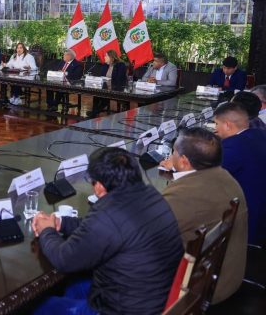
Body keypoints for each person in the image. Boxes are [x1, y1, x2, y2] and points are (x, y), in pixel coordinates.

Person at [32, 147, 183, 314]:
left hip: (125, 309)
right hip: (155, 298)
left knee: (42, 306)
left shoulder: (108, 214)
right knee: (74, 286)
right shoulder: (151, 196)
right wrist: (61, 223)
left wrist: (46, 230)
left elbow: (64, 259)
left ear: (99, 187)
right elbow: (99, 228)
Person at [159, 127, 247, 303]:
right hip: (226, 277)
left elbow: (146, 234)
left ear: (184, 161)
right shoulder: (225, 176)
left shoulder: (183, 197)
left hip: (198, 293)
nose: (171, 157)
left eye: (173, 152)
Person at [214, 102, 266, 245]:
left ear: (227, 125)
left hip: (248, 216)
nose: (215, 129)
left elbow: (207, 172)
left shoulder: (234, 146)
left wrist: (177, 164)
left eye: (216, 124)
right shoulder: (259, 134)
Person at [87, 49, 127, 118]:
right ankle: (94, 112)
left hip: (117, 88)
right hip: (106, 87)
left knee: (105, 97)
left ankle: (94, 113)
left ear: (111, 57)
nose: (104, 57)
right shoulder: (105, 65)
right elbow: (101, 76)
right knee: (96, 94)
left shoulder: (120, 65)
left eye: (106, 56)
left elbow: (119, 79)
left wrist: (109, 81)